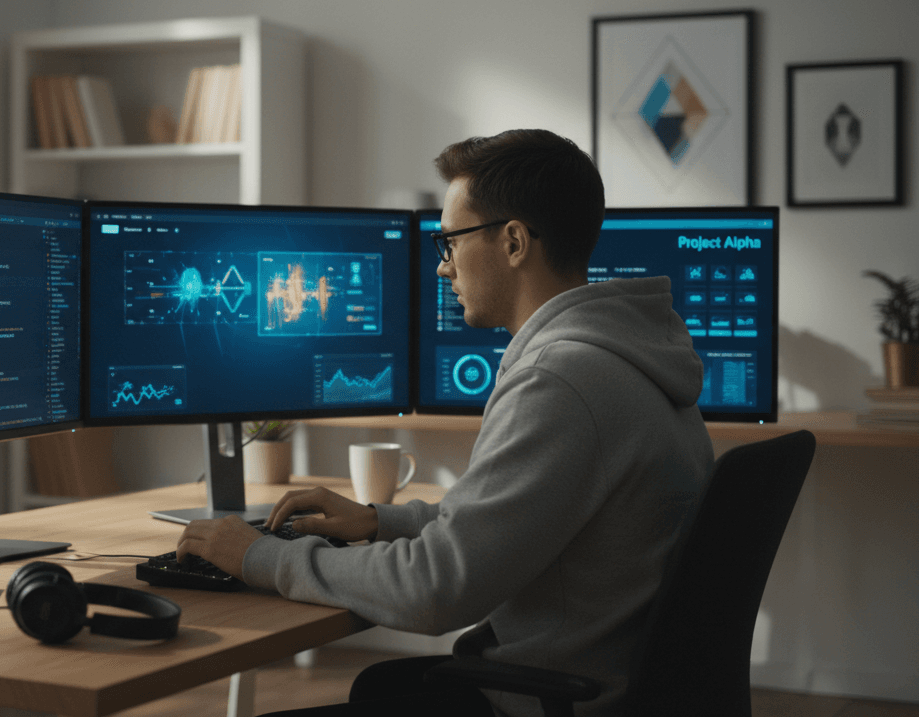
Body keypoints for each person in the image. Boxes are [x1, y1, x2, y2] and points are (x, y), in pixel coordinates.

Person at [176, 129, 714, 717]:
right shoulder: (624, 356)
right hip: (600, 681)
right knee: (379, 687)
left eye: (450, 241)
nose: (442, 267)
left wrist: (260, 557)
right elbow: (507, 519)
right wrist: (380, 521)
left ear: (513, 242)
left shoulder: (560, 381)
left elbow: (434, 591)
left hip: (549, 699)